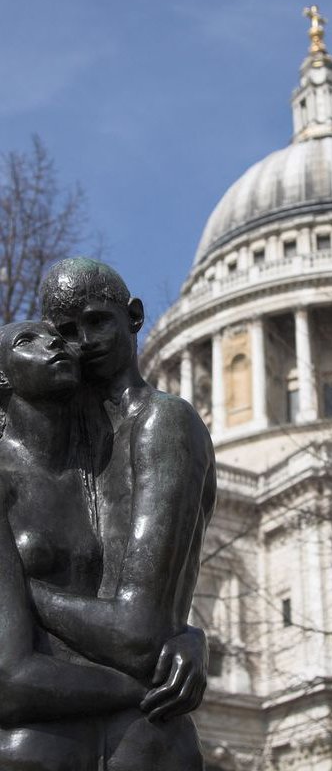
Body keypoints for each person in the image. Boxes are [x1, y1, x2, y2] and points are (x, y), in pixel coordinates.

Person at [32, 257, 216, 767]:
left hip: (130, 738)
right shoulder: (45, 443)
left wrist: (17, 592)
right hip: (48, 731)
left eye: (97, 321)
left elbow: (139, 633)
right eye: (66, 331)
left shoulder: (163, 424)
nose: (84, 342)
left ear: (134, 316)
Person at [0, 320, 147, 768]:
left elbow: (138, 609)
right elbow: (7, 678)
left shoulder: (107, 477)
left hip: (115, 738)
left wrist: (186, 640)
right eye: (28, 341)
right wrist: (145, 685)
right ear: (1, 378)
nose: (53, 344)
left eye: (57, 338)